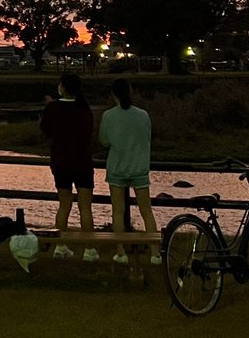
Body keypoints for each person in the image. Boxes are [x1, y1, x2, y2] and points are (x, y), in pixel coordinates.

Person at [98, 77, 161, 265]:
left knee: (118, 211)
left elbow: (104, 140)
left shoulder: (108, 116)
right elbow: (148, 137)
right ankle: (155, 253)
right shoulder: (143, 115)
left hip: (117, 167)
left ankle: (121, 251)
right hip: (139, 167)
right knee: (146, 211)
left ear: (113, 94)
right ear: (130, 92)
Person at [39, 72, 98, 261]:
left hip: (61, 162)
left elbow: (46, 130)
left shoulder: (53, 108)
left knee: (64, 205)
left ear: (62, 87)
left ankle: (60, 246)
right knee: (85, 207)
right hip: (82, 162)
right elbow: (89, 132)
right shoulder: (84, 108)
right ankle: (89, 249)